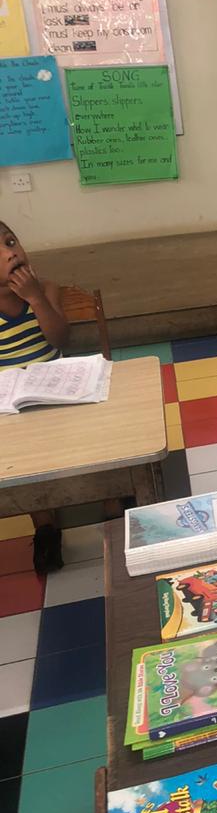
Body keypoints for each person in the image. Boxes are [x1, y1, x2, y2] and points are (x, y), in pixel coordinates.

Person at [0, 220, 69, 572]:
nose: (11, 252)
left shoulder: (46, 289)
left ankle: (111, 505)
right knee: (21, 457)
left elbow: (59, 339)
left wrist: (36, 299)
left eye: (12, 241)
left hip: (57, 396)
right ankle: (44, 525)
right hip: (11, 410)